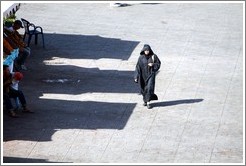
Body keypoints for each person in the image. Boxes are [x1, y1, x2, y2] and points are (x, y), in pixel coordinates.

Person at [134, 44, 161, 109]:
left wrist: (153, 65)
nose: (147, 51)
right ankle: (145, 100)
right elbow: (138, 67)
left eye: (148, 50)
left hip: (151, 75)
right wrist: (136, 76)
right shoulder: (141, 58)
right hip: (143, 76)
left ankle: (148, 102)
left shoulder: (154, 56)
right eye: (145, 50)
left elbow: (158, 64)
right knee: (143, 89)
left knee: (149, 88)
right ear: (143, 50)